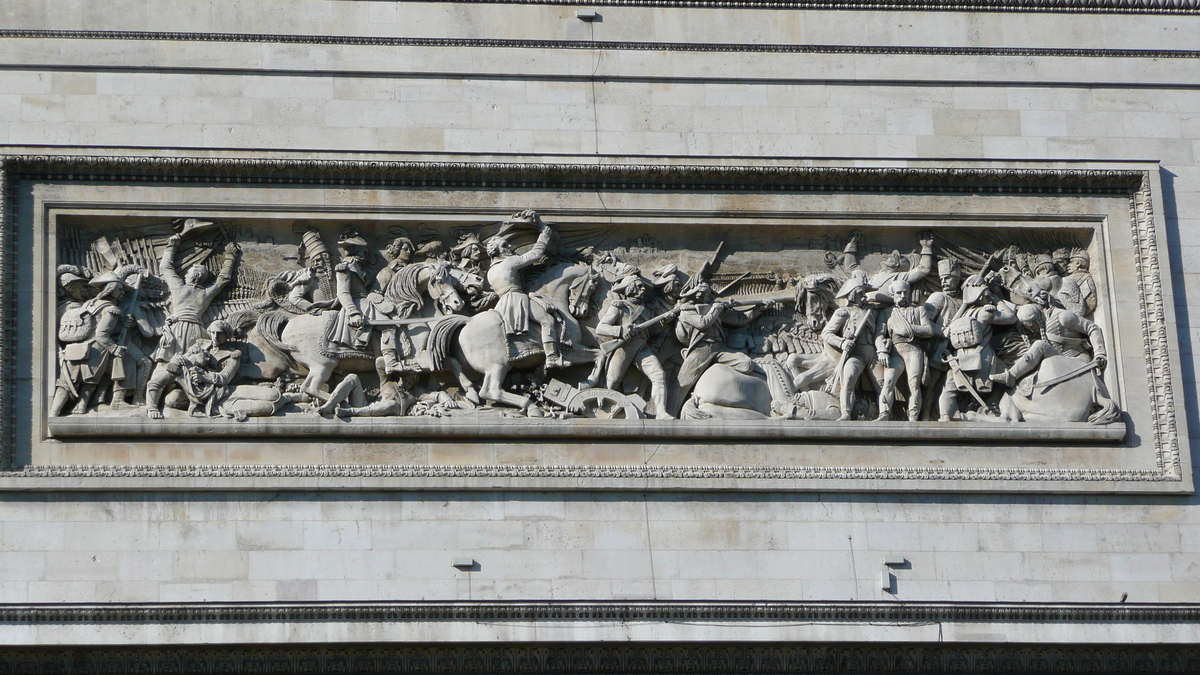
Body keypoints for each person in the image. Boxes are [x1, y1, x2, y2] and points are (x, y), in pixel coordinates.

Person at [145, 235, 239, 415]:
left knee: (164, 366)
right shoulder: (206, 292)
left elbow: (165, 266)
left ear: (189, 276)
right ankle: (197, 401)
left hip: (175, 330)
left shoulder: (179, 287)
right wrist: (230, 256)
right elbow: (224, 278)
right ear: (203, 279)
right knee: (192, 367)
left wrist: (172, 244)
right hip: (196, 332)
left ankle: (152, 405)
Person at [673, 274, 768, 416]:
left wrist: (759, 309)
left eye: (707, 292)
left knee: (746, 364)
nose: (706, 295)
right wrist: (716, 310)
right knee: (683, 382)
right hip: (701, 350)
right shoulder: (687, 311)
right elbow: (703, 323)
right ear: (694, 294)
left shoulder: (716, 308)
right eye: (701, 292)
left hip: (719, 348)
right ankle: (668, 412)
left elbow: (740, 320)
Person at [485, 210, 565, 368]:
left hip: (502, 304)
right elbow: (535, 254)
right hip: (517, 299)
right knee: (547, 320)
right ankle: (552, 357)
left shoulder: (490, 272)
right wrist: (544, 233)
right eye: (504, 245)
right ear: (496, 251)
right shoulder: (509, 263)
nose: (509, 247)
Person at [52, 270, 137, 416]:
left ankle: (63, 411)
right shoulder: (112, 309)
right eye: (120, 290)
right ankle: (111, 402)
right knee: (125, 365)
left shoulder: (87, 304)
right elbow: (102, 334)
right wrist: (115, 348)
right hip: (95, 350)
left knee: (68, 382)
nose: (122, 293)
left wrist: (125, 323)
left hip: (75, 349)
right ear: (112, 290)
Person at [593, 273, 673, 419]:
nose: (643, 289)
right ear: (631, 288)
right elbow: (601, 328)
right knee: (613, 381)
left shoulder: (647, 310)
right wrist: (621, 330)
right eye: (640, 286)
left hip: (642, 347)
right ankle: (601, 411)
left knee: (659, 375)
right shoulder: (619, 306)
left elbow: (652, 332)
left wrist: (665, 322)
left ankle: (661, 412)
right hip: (625, 347)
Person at [936, 274, 1016, 421]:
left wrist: (965, 305)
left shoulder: (963, 314)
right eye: (987, 294)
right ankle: (1000, 411)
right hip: (984, 357)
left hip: (959, 358)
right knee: (1008, 381)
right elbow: (1010, 317)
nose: (989, 297)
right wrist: (998, 299)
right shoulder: (984, 313)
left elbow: (947, 331)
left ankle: (945, 415)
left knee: (949, 389)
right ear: (980, 296)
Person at [821, 275, 880, 421]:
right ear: (852, 295)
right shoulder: (843, 312)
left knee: (884, 383)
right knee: (847, 377)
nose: (863, 296)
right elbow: (826, 333)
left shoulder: (873, 311)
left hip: (874, 352)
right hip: (856, 353)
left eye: (863, 293)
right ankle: (846, 412)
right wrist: (842, 342)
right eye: (860, 293)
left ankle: (886, 414)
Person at [875, 279, 935, 421]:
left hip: (914, 350)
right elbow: (879, 334)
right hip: (896, 351)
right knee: (888, 381)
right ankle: (884, 413)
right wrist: (881, 349)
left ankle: (913, 416)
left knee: (914, 383)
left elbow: (929, 330)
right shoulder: (886, 313)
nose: (903, 295)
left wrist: (908, 328)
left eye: (905, 293)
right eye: (899, 293)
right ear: (892, 294)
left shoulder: (918, 310)